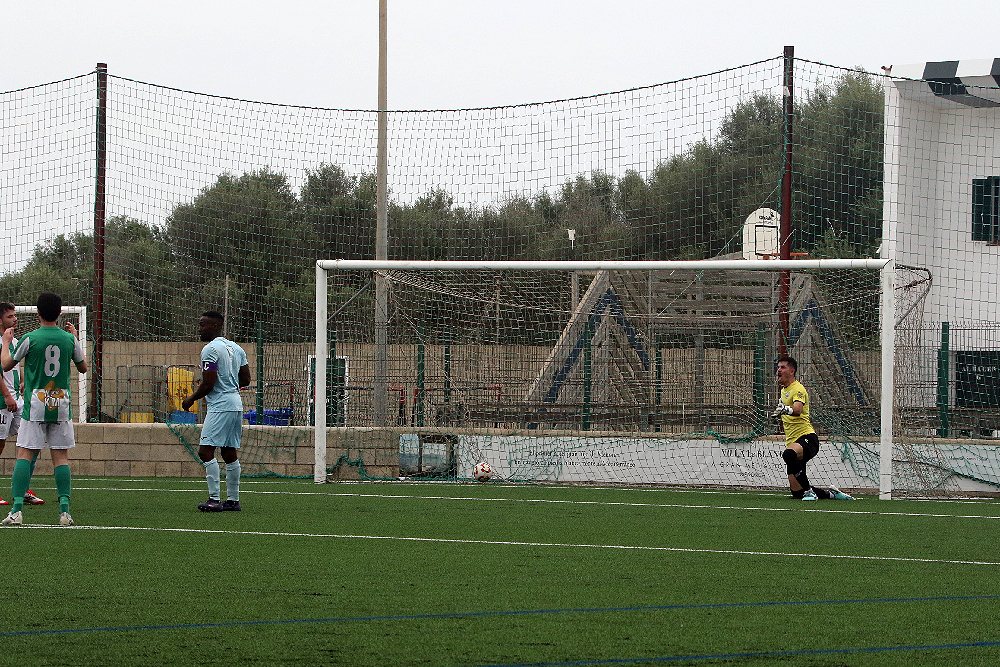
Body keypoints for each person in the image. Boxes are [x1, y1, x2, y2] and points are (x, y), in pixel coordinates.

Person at [1, 292, 87, 526]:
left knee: (25, 454)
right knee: (61, 458)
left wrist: (7, 343)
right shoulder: (69, 340)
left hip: (36, 404)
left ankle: (17, 511)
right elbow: (83, 368)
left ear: (38, 313)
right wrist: (75, 339)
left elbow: (7, 364)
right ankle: (65, 512)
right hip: (61, 404)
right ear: (60, 313)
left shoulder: (29, 338)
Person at [182, 311, 250, 512]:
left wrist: (191, 399)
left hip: (220, 405)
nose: (200, 328)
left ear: (215, 326)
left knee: (205, 451)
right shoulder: (237, 348)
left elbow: (208, 383)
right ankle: (233, 501)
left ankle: (213, 499)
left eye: (203, 324)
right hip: (236, 404)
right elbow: (245, 379)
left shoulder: (210, 349)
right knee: (229, 452)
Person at [771, 354, 855, 501]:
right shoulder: (784, 391)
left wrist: (785, 409)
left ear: (792, 371)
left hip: (807, 439)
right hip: (793, 442)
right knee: (797, 492)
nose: (779, 370)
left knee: (788, 455)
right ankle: (831, 494)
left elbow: (797, 410)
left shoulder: (798, 389)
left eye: (782, 367)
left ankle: (810, 492)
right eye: (778, 367)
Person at [0, 303, 45, 507]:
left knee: (30, 444)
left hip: (18, 401)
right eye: (10, 316)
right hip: (3, 402)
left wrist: (22, 385)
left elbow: (14, 370)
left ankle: (23, 489)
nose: (15, 319)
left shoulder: (16, 341)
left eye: (14, 315)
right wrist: (7, 395)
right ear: (0, 320)